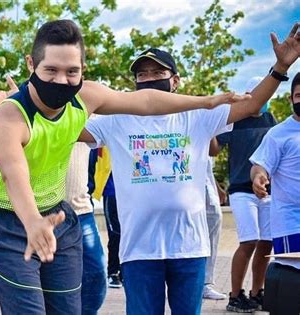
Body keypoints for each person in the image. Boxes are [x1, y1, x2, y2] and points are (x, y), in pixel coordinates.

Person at [0, 19, 248, 314]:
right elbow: (15, 174)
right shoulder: (8, 118)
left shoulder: (87, 96)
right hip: (5, 221)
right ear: (31, 64)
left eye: (71, 72)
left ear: (83, 68)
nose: (61, 80)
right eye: (50, 70)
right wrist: (32, 221)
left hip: (59, 215)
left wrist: (205, 101)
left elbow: (146, 102)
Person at [83, 23, 299, 315]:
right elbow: (66, 129)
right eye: (141, 74)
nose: (148, 79)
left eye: (158, 73)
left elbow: (253, 104)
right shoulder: (116, 118)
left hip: (190, 248)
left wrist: (279, 67)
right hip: (139, 249)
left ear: (176, 81)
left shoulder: (198, 115)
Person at [211, 76, 278, 312]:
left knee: (266, 243)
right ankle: (235, 295)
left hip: (268, 191)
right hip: (241, 189)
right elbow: (214, 149)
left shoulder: (271, 119)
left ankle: (257, 291)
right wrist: (209, 126)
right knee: (249, 240)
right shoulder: (236, 120)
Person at [250, 72, 300, 315]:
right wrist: (259, 176)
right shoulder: (279, 133)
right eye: (299, 95)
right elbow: (260, 165)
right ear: (291, 99)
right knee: (292, 282)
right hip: (291, 224)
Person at [66, 142, 107, 314]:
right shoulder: (30, 118)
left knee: (95, 275)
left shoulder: (84, 117)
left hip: (80, 212)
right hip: (38, 213)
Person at [91, 148, 123, 288]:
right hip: (111, 191)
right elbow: (92, 160)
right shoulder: (104, 131)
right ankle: (113, 272)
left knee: (130, 233)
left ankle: (125, 271)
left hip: (131, 191)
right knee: (115, 233)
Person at [203, 156, 227, 300]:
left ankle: (204, 283)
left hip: (205, 179)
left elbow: (212, 150)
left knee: (214, 218)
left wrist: (217, 188)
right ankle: (201, 283)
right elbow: (214, 148)